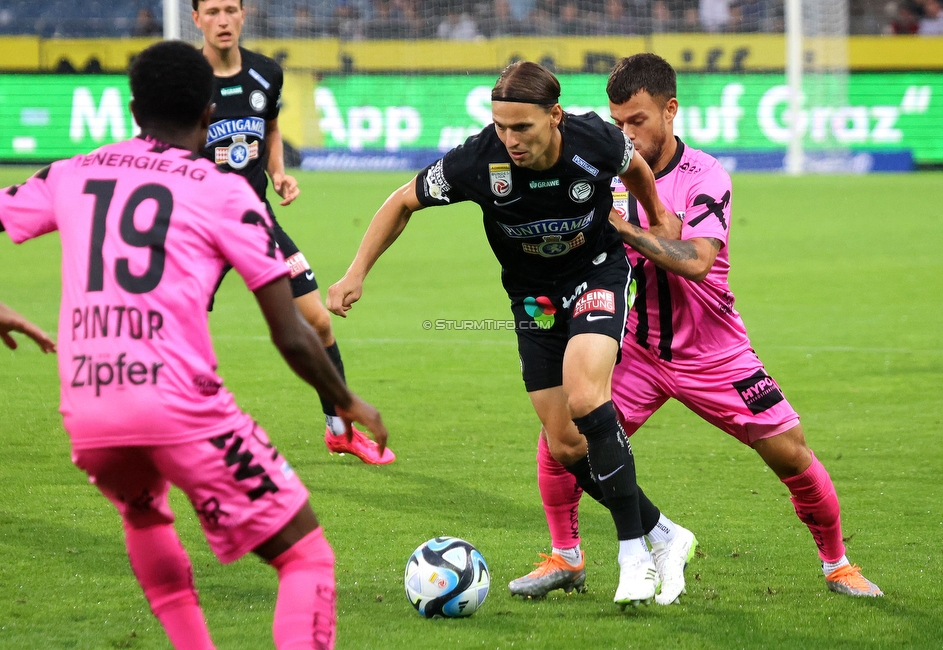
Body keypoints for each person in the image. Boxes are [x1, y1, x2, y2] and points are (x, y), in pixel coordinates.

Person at [0, 41, 391, 649]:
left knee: (144, 512)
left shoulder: (73, 171)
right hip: (176, 405)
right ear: (210, 111)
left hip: (88, 411)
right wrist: (345, 400)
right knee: (305, 556)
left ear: (132, 108)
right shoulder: (224, 191)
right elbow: (289, 330)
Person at [530, 52, 883, 604]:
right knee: (562, 439)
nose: (626, 133)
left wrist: (620, 228)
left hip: (716, 353)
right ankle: (566, 557)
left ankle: (837, 563)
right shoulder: (603, 171)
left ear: (670, 110)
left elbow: (695, 261)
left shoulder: (705, 175)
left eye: (637, 120)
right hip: (638, 350)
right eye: (616, 121)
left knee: (790, 453)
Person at [328, 61, 684, 608]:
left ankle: (633, 552)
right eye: (501, 126)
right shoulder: (477, 159)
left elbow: (634, 166)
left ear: (555, 117)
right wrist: (356, 273)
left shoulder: (593, 138)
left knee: (589, 395)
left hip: (597, 274)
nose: (510, 140)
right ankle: (663, 532)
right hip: (533, 299)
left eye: (523, 127)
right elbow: (402, 200)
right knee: (565, 444)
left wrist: (657, 214)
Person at [193, 0, 395, 464]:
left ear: (243, 15)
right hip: (200, 230)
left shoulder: (266, 72)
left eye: (230, 10)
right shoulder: (185, 79)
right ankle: (161, 432)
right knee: (183, 329)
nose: (222, 20)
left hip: (256, 220)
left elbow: (269, 127)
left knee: (318, 320)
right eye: (212, 12)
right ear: (196, 19)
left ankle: (339, 429)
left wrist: (278, 171)